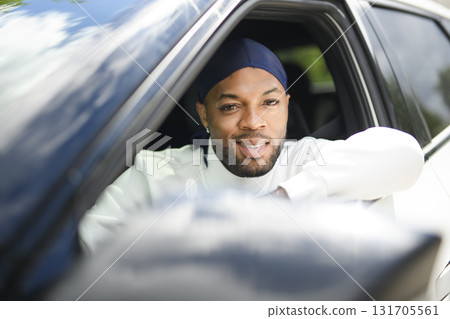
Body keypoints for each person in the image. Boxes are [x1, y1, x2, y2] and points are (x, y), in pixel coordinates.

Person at [79, 38, 424, 254]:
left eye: (270, 103)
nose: (254, 122)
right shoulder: (157, 172)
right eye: (231, 107)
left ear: (288, 105)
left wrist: (283, 200)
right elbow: (92, 242)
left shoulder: (309, 159)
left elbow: (405, 153)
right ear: (203, 114)